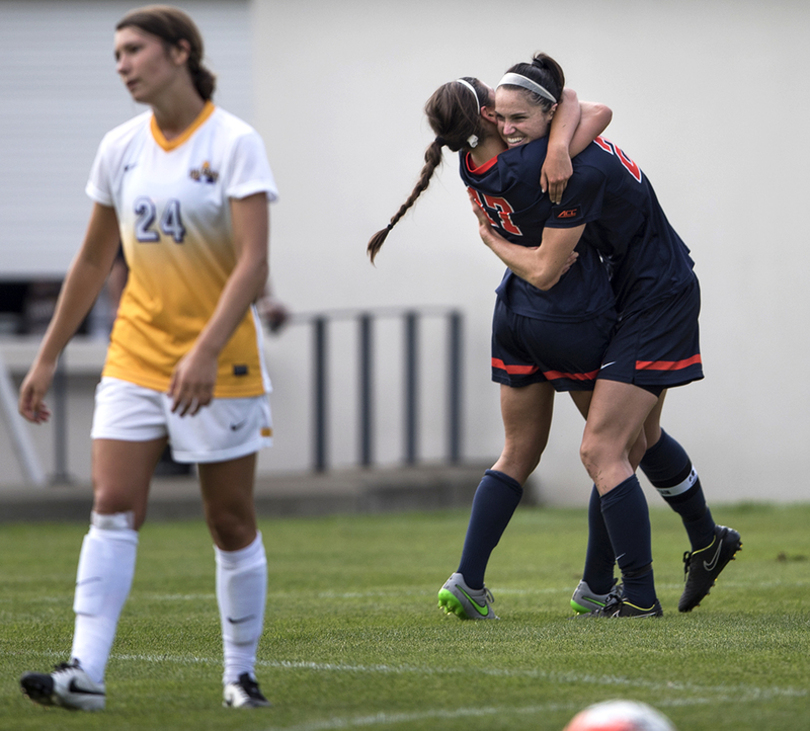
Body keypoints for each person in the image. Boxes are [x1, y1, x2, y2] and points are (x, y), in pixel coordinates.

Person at [18, 5, 277, 710]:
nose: (122, 64)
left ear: (180, 51)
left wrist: (204, 349)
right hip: (134, 355)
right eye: (117, 54)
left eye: (134, 50)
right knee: (110, 504)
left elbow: (253, 263)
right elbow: (93, 258)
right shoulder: (120, 145)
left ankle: (240, 673)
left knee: (228, 519)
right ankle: (85, 672)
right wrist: (45, 358)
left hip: (218, 362)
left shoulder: (234, 141)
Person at [470, 53, 741, 617]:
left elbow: (545, 270)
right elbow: (580, 102)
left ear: (547, 115)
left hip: (656, 297)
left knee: (603, 446)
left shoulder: (574, 169)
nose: (509, 128)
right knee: (638, 438)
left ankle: (637, 598)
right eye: (502, 118)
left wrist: (493, 241)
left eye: (521, 119)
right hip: (629, 293)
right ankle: (704, 544)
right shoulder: (560, 143)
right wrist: (556, 140)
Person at [368, 70, 623, 620]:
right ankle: (599, 587)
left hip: (512, 313)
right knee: (613, 450)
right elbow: (592, 110)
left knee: (515, 454)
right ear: (488, 114)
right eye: (495, 104)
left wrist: (490, 238)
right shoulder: (530, 161)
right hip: (567, 312)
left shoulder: (467, 161)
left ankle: (468, 579)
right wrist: (558, 141)